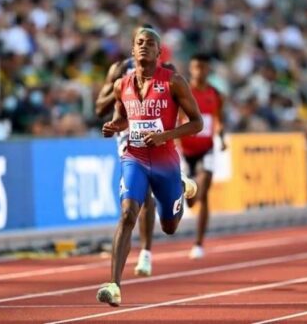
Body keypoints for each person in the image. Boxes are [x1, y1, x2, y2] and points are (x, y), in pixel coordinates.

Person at [96, 27, 203, 307]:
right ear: (132, 51)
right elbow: (123, 118)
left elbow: (197, 123)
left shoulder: (174, 82)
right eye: (139, 43)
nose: (144, 47)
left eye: (150, 43)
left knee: (168, 226)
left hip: (166, 162)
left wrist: (164, 136)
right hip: (134, 158)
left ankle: (180, 186)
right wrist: (113, 126)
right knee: (128, 214)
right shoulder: (122, 84)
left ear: (159, 52)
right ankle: (114, 285)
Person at [179, 53, 227, 259]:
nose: (199, 71)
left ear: (208, 70)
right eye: (195, 67)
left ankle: (198, 243)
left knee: (204, 186)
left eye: (202, 67)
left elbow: (219, 120)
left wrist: (221, 137)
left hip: (206, 148)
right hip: (186, 150)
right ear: (191, 69)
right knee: (192, 201)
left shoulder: (215, 94)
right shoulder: (182, 92)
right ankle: (188, 191)